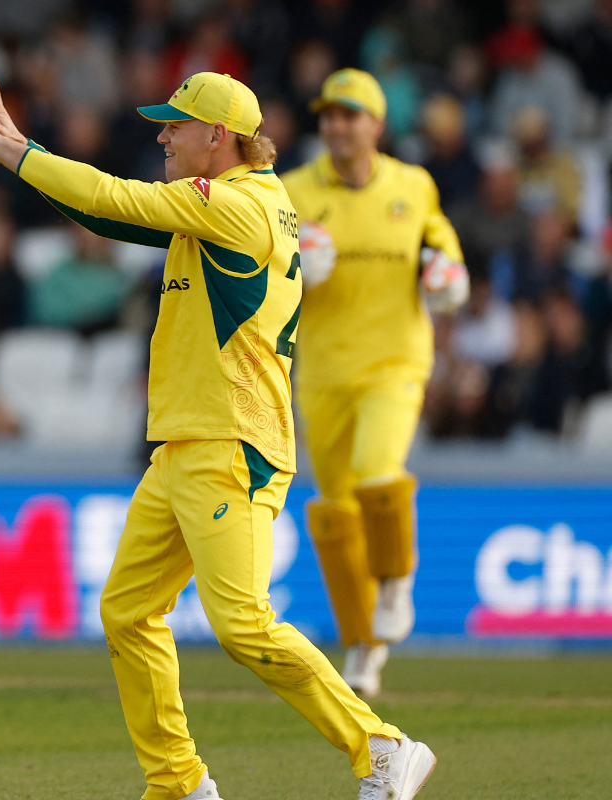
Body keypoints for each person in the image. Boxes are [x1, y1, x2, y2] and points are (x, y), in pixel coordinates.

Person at [0, 69, 437, 800]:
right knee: (127, 608)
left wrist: (14, 154)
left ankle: (381, 746)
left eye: (175, 126)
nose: (162, 136)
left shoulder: (241, 205)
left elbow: (116, 201)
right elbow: (114, 217)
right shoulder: (226, 205)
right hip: (188, 443)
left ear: (218, 137)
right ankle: (178, 782)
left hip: (230, 440)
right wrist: (20, 147)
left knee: (242, 623)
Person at [282, 69, 468, 698]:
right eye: (328, 115)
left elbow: (440, 248)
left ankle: (395, 580)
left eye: (350, 114)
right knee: (335, 514)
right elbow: (258, 270)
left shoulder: (412, 186)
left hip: (395, 361)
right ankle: (363, 645)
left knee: (377, 471)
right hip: (324, 369)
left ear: (376, 125)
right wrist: (292, 270)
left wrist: (450, 275)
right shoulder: (295, 190)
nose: (336, 125)